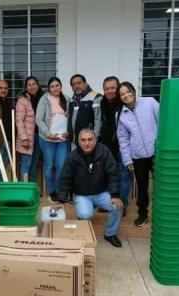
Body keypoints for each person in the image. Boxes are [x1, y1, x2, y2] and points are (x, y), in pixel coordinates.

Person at [57, 128, 123, 247]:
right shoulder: (72, 157)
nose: (87, 143)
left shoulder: (104, 152)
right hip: (82, 194)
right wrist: (61, 200)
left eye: (90, 140)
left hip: (101, 192)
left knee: (117, 206)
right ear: (78, 141)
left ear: (95, 140)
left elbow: (113, 173)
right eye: (83, 140)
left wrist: (115, 195)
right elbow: (65, 179)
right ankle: (83, 226)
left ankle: (110, 234)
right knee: (85, 215)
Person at [117, 81, 159, 227]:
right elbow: (123, 140)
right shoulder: (121, 114)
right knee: (142, 187)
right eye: (122, 94)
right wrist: (127, 160)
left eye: (128, 91)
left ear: (133, 91)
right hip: (138, 157)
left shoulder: (150, 102)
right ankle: (143, 214)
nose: (126, 95)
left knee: (161, 185)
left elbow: (162, 123)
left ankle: (161, 214)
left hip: (156, 153)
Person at [100, 76, 132, 217]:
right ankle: (110, 203)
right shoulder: (103, 102)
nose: (110, 91)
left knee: (124, 175)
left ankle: (123, 204)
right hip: (108, 147)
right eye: (107, 88)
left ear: (118, 88)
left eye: (113, 88)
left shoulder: (124, 103)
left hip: (124, 147)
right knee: (109, 175)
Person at [36, 77, 70, 202]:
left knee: (61, 166)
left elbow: (69, 118)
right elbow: (38, 119)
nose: (55, 88)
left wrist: (68, 132)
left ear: (61, 86)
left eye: (57, 85)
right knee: (49, 166)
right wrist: (48, 134)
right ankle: (52, 191)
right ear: (49, 88)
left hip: (61, 139)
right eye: (52, 86)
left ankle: (60, 191)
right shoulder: (44, 99)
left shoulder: (67, 99)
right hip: (47, 139)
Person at [15, 76, 43, 181]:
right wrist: (24, 138)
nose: (32, 87)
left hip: (39, 136)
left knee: (34, 164)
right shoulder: (22, 100)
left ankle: (30, 189)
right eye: (29, 85)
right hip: (27, 137)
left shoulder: (42, 99)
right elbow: (19, 120)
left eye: (34, 84)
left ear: (38, 85)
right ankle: (24, 189)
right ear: (26, 87)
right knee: (26, 164)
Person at [68, 74, 102, 146]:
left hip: (89, 142)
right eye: (73, 84)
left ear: (85, 83)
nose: (76, 86)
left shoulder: (96, 97)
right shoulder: (72, 101)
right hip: (74, 142)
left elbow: (98, 120)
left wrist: (94, 139)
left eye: (79, 83)